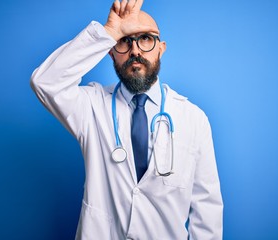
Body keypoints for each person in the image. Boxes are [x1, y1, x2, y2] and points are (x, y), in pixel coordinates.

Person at [30, 0, 223, 239]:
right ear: (110, 51)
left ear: (161, 48)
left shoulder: (193, 118)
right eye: (124, 41)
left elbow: (207, 209)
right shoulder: (92, 106)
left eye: (145, 39)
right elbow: (45, 82)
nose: (135, 51)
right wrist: (109, 31)